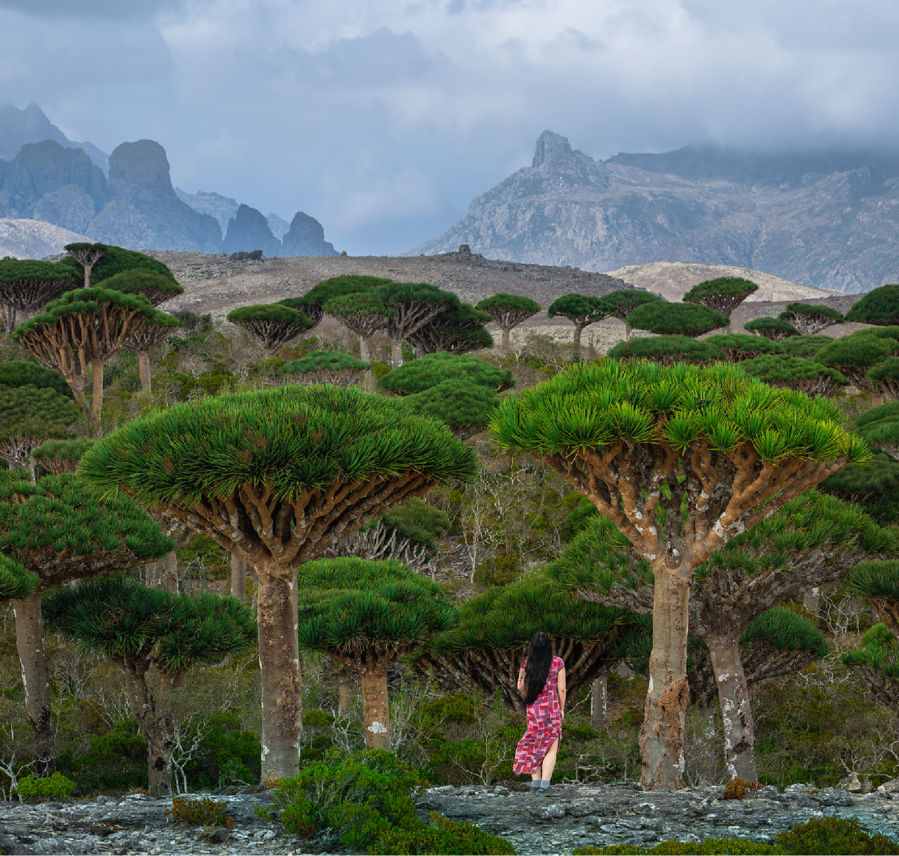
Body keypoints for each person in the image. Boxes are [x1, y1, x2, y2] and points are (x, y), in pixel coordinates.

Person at [513, 631, 566, 795]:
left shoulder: (526, 663)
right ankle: (545, 785)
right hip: (551, 710)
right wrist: (562, 708)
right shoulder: (557, 663)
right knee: (551, 746)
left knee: (534, 744)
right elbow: (562, 689)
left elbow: (520, 686)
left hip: (534, 711)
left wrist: (530, 696)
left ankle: (535, 785)